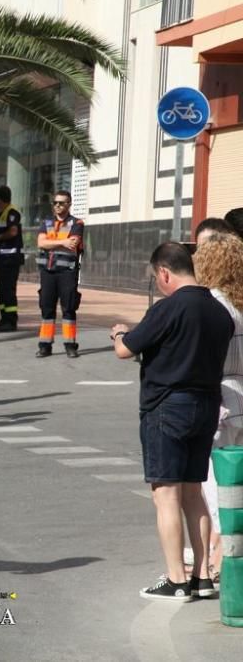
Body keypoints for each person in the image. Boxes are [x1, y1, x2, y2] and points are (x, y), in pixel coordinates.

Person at [111, 242, 233, 601]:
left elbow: (126, 349)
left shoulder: (169, 308)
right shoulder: (218, 310)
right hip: (206, 405)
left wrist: (118, 333)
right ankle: (202, 577)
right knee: (193, 492)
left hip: (167, 405)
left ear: (164, 272)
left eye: (157, 278)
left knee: (165, 493)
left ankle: (177, 579)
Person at [192, 234, 243, 588]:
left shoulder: (211, 305)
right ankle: (220, 555)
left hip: (220, 400)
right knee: (236, 484)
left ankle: (222, 556)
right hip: (242, 398)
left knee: (214, 486)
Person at [36, 190, 84, 359]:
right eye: (55, 202)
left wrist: (52, 243)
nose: (57, 205)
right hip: (48, 272)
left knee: (69, 308)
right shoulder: (46, 222)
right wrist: (62, 242)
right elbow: (40, 243)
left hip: (67, 272)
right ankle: (45, 345)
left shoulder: (77, 223)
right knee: (46, 308)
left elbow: (73, 244)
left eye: (62, 203)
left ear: (69, 205)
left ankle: (70, 345)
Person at [0, 185, 24, 331]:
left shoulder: (12, 213)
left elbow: (13, 232)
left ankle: (11, 321)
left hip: (9, 260)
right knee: (1, 290)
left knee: (8, 290)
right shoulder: (2, 214)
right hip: (1, 259)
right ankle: (4, 318)